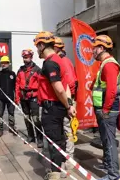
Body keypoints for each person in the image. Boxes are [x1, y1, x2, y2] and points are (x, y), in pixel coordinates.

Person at [34, 31, 76, 180]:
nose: (37, 50)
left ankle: (55, 175)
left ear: (42, 45)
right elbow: (66, 87)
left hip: (51, 109)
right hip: (58, 107)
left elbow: (59, 88)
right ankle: (61, 170)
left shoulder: (50, 63)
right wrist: (69, 105)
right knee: (59, 140)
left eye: (37, 46)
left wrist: (68, 105)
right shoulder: (59, 60)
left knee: (53, 143)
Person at [91, 35, 120, 180]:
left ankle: (113, 175)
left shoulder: (109, 64)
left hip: (108, 110)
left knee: (110, 142)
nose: (92, 52)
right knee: (105, 140)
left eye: (94, 49)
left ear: (101, 48)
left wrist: (105, 110)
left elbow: (111, 90)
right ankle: (108, 166)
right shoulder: (104, 64)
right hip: (105, 109)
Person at [54, 36, 78, 170]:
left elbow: (70, 84)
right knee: (62, 130)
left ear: (57, 47)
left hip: (65, 101)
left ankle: (69, 159)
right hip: (61, 101)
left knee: (67, 130)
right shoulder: (60, 60)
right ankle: (63, 156)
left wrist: (68, 103)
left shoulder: (64, 62)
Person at [15, 49, 43, 148]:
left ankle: (40, 139)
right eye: (24, 57)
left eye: (26, 57)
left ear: (31, 57)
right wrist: (17, 97)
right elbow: (17, 84)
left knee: (35, 119)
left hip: (33, 97)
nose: (25, 59)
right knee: (27, 118)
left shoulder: (37, 70)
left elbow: (41, 85)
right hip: (23, 97)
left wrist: (41, 98)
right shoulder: (20, 70)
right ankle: (31, 136)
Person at [0, 56, 17, 137]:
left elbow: (15, 86)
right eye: (2, 63)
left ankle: (12, 127)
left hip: (10, 98)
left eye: (5, 63)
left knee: (11, 113)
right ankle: (0, 130)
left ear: (8, 63)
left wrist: (17, 97)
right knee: (0, 113)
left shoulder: (13, 74)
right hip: (1, 98)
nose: (4, 64)